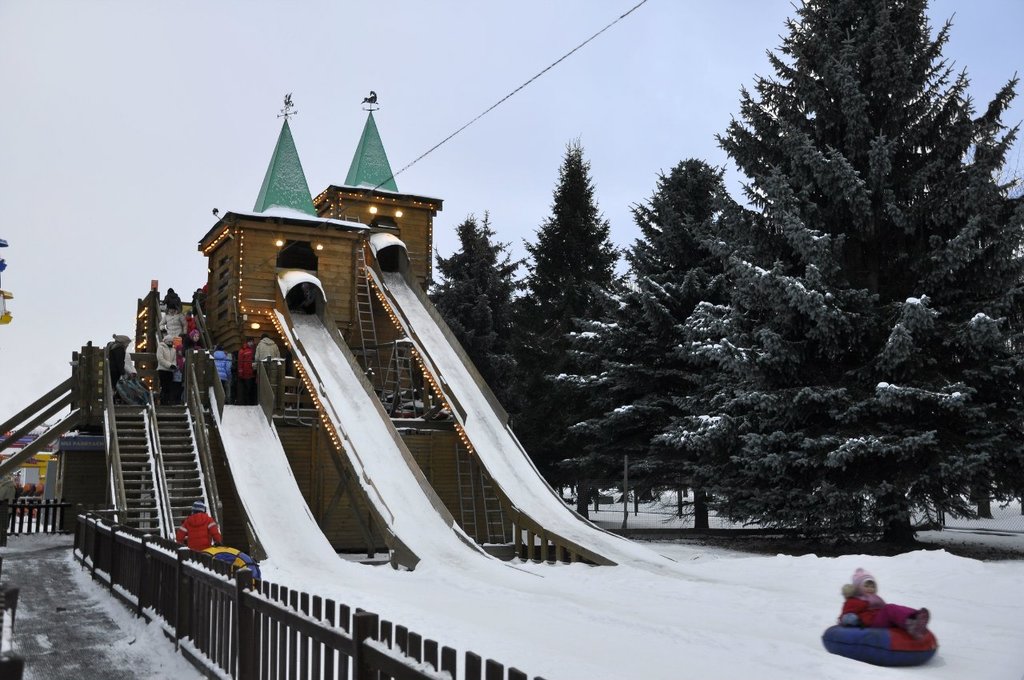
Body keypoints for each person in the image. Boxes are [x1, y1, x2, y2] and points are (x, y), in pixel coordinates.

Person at [839, 568, 931, 640]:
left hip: (879, 618)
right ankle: (910, 623)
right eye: (866, 586)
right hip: (871, 622)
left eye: (872, 586)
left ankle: (916, 616)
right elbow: (845, 614)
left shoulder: (876, 598)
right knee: (889, 608)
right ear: (858, 588)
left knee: (892, 608)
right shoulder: (856, 599)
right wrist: (851, 619)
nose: (870, 589)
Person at [157, 335, 177, 404]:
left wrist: (174, 365)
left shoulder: (173, 350)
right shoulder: (161, 348)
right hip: (162, 370)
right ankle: (163, 401)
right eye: (169, 341)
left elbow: (174, 359)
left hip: (170, 371)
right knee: (164, 386)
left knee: (169, 387)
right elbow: (160, 359)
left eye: (171, 342)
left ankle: (168, 401)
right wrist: (169, 365)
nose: (170, 343)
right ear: (165, 341)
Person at [236, 338, 256, 405]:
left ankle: (249, 402)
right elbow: (240, 362)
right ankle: (244, 402)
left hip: (251, 373)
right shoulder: (242, 350)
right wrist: (240, 372)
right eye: (251, 342)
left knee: (249, 389)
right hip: (245, 373)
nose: (252, 343)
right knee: (245, 389)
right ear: (248, 342)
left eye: (253, 342)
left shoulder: (253, 350)